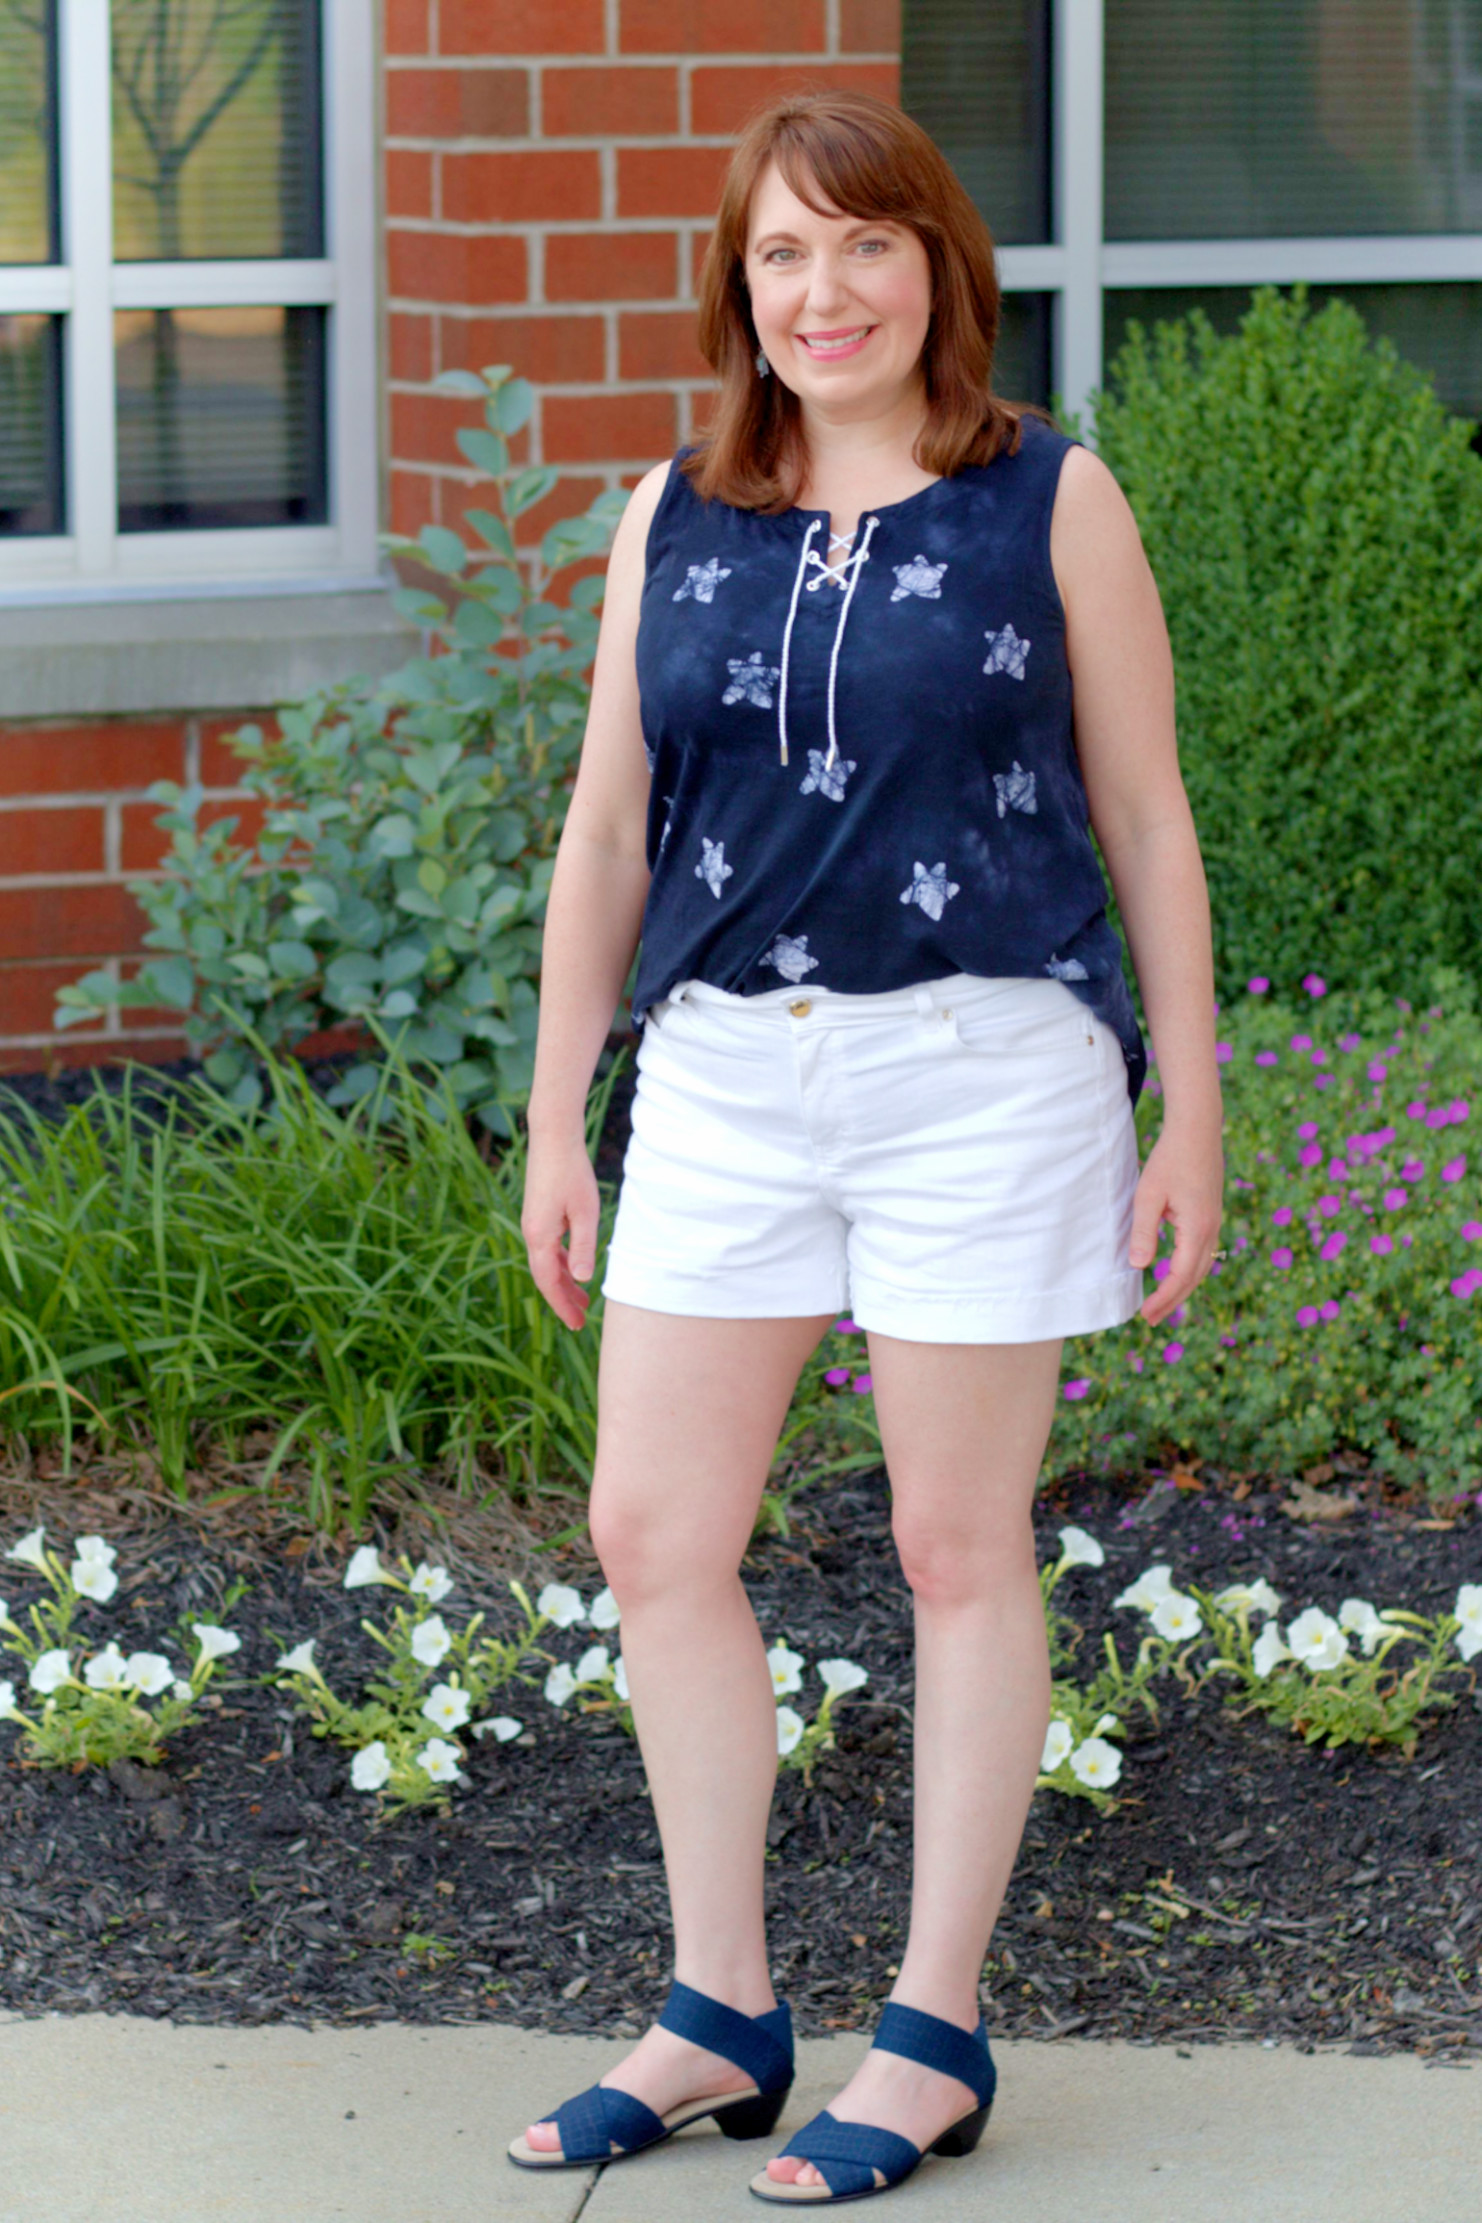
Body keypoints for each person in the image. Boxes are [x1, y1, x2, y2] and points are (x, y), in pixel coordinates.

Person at [510, 87, 1223, 2206]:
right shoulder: (677, 510)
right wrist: (560, 1112)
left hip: (985, 1064)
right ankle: (723, 2005)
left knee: (951, 1544)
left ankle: (933, 2027)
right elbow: (609, 832)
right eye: (783, 254)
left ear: (939, 267)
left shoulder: (1045, 499)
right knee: (653, 1529)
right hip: (728, 1070)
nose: (825, 292)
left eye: (867, 245)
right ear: (741, 286)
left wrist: (1193, 1094)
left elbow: (1148, 811)